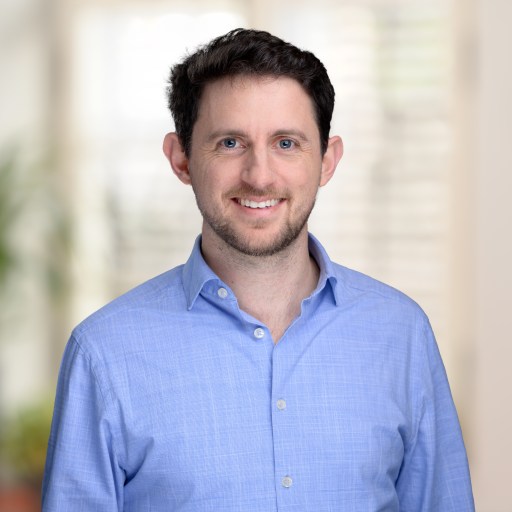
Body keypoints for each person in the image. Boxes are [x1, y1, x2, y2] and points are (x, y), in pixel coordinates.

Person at [42, 28, 474, 511]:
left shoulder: (402, 335)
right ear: (181, 158)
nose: (260, 175)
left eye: (286, 143)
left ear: (327, 161)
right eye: (230, 143)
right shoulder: (104, 354)